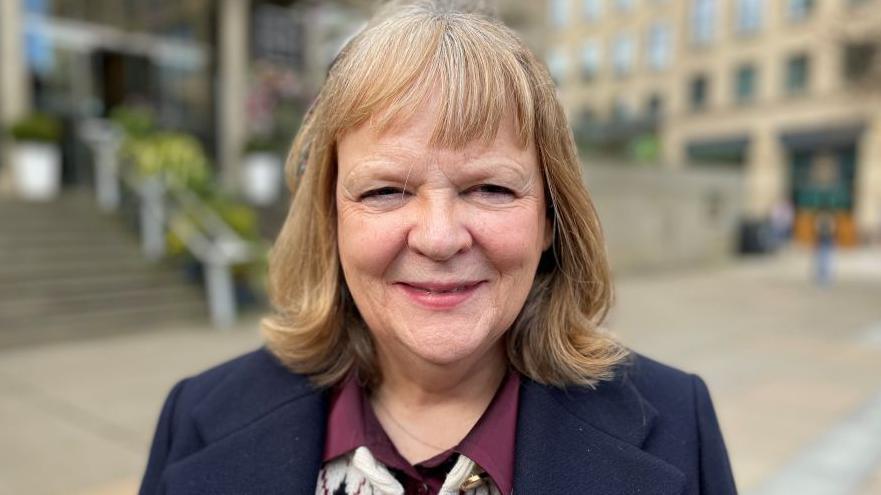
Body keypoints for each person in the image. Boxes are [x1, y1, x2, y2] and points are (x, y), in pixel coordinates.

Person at [139, 2, 736, 494]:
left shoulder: (677, 423)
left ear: (550, 220)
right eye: (385, 191)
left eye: (491, 188)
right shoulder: (196, 418)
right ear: (331, 218)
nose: (439, 237)